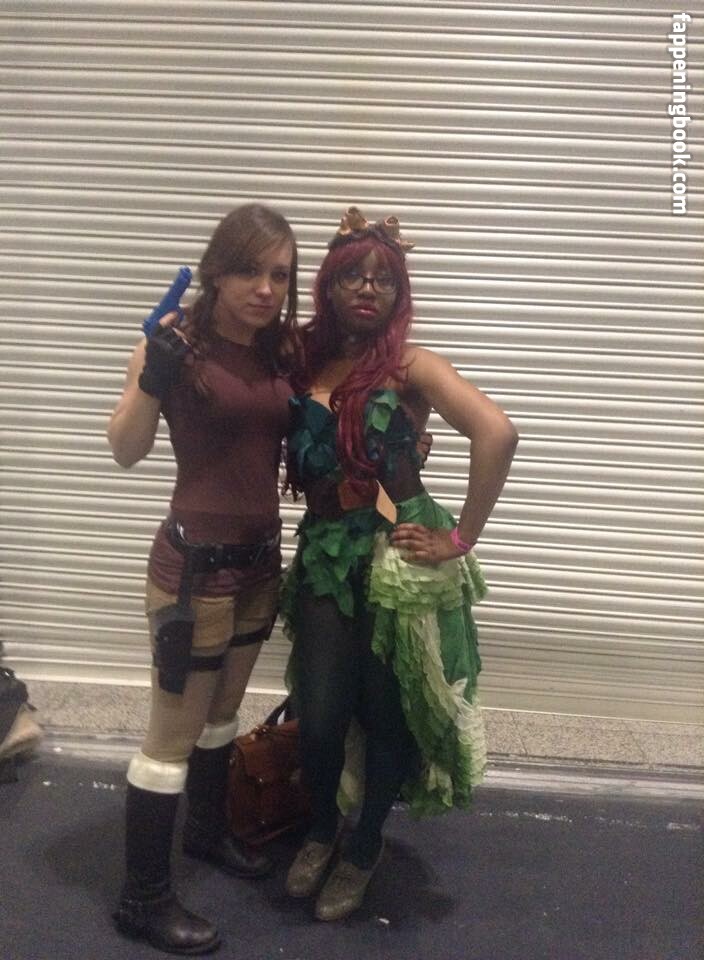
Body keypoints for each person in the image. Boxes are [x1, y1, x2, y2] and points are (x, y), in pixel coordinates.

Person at [281, 206, 519, 921]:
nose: (367, 288)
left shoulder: (411, 367)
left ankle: (364, 846)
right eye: (353, 275)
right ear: (327, 284)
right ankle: (323, 827)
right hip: (325, 553)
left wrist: (460, 538)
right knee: (320, 714)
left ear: (399, 292)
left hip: (396, 557)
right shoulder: (301, 357)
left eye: (383, 279)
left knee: (386, 713)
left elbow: (497, 433)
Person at [107, 203, 298, 955]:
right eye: (249, 270)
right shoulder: (172, 346)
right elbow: (125, 449)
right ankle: (142, 899)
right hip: (192, 574)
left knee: (223, 715)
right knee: (170, 739)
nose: (265, 288)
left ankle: (208, 834)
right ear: (215, 271)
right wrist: (151, 379)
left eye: (279, 274)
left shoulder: (280, 353)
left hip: (258, 566)